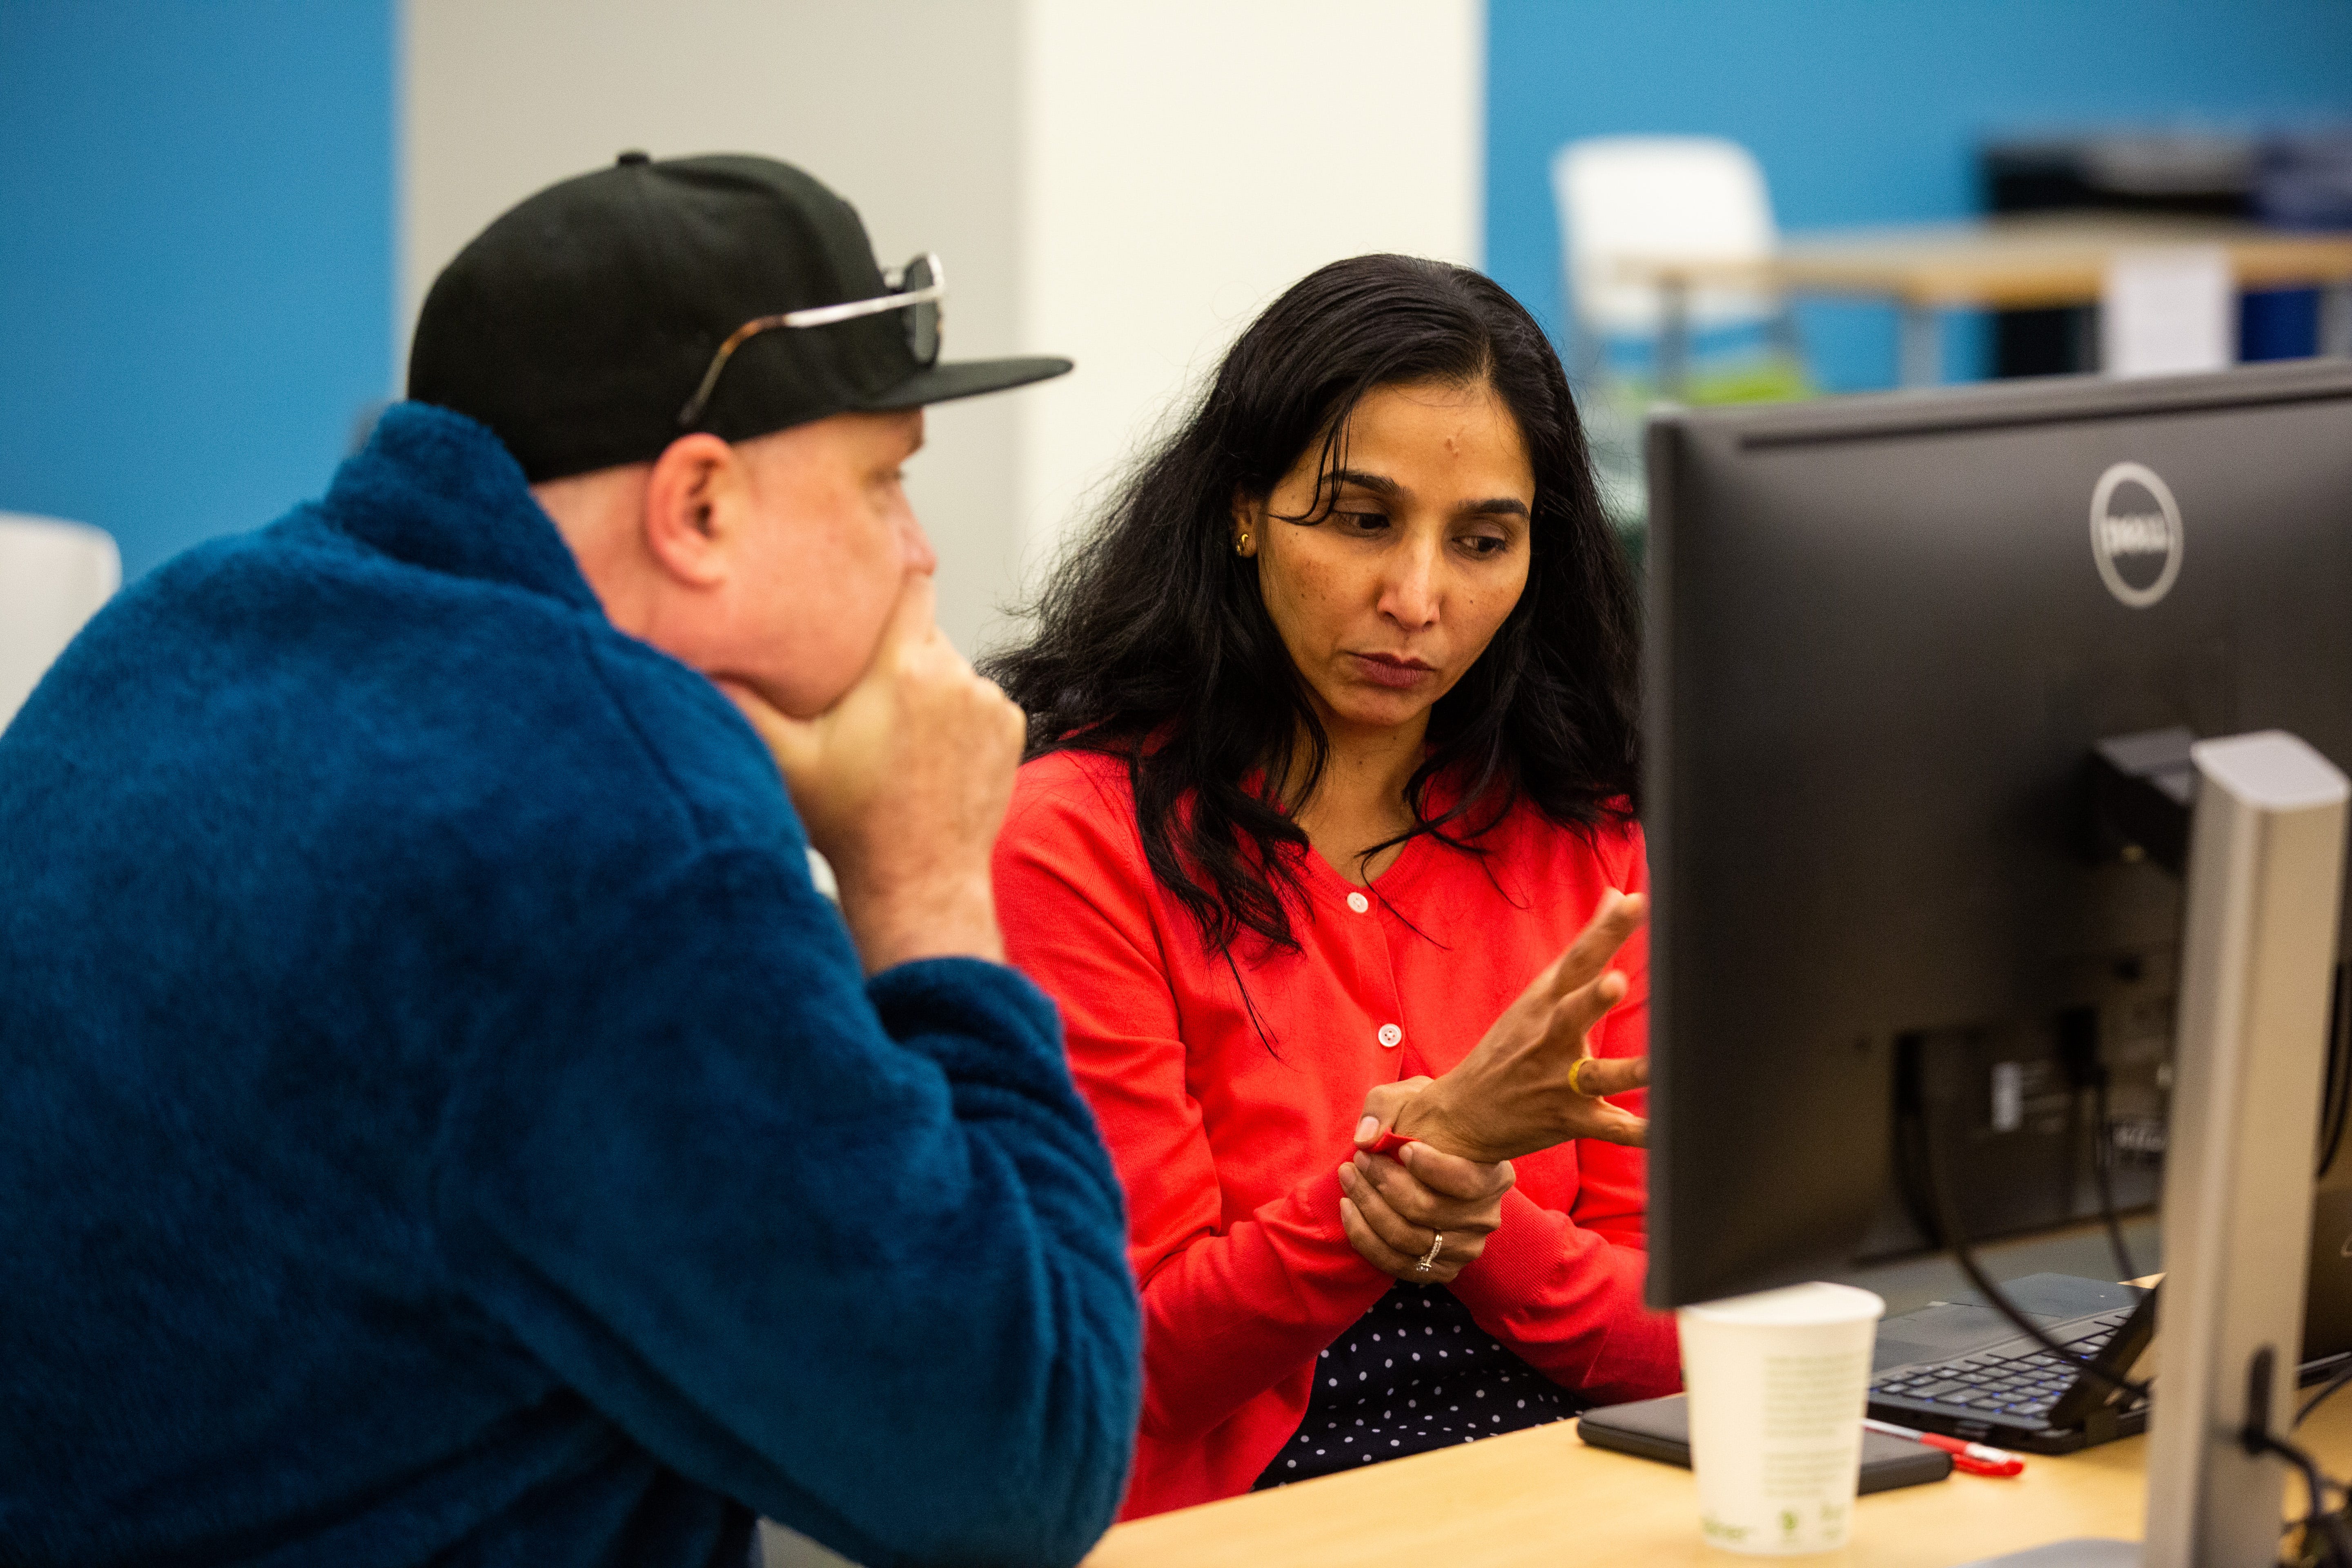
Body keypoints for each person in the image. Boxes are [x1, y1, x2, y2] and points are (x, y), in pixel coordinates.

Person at [0, 153, 1140, 1568]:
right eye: (882, 482)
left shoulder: (175, 628)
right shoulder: (616, 835)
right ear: (699, 510)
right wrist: (927, 881)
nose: (918, 554)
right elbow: (1017, 1468)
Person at [984, 253, 1679, 1518]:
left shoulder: (1589, 831)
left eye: (1483, 541)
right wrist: (1422, 1173)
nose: (1417, 600)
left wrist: (1471, 1205)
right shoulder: (1078, 839)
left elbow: (1686, 1339)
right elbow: (1134, 1367)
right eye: (1361, 521)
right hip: (1249, 1512)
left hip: (1566, 1491)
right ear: (1245, 509)